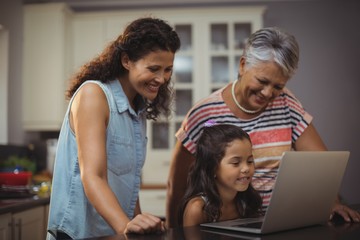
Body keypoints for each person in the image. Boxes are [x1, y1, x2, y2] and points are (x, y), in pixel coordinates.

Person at [166, 26, 360, 228]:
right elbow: (177, 186)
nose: (268, 93)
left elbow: (321, 165)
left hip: (281, 223)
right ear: (243, 65)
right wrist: (172, 234)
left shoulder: (286, 102)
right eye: (262, 81)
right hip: (230, 225)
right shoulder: (204, 114)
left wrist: (333, 201)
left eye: (278, 86)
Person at [46, 17, 180, 239]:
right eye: (154, 68)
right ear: (126, 60)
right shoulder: (94, 95)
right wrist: (125, 227)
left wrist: (139, 228)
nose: (162, 78)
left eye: (167, 70)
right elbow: (92, 176)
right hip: (78, 234)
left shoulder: (137, 110)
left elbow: (129, 184)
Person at [178, 123, 263, 226]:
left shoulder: (246, 203)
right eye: (236, 163)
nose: (246, 169)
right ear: (212, 168)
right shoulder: (197, 209)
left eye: (250, 161)